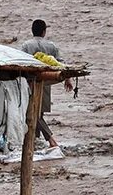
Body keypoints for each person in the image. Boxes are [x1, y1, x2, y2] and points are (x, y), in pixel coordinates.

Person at [20, 19, 74, 149]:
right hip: (46, 82)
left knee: (33, 114)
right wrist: (67, 79)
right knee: (38, 114)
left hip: (30, 84)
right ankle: (35, 142)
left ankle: (49, 140)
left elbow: (20, 63)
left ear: (32, 31)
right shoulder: (51, 46)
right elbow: (60, 64)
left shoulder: (26, 46)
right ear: (44, 32)